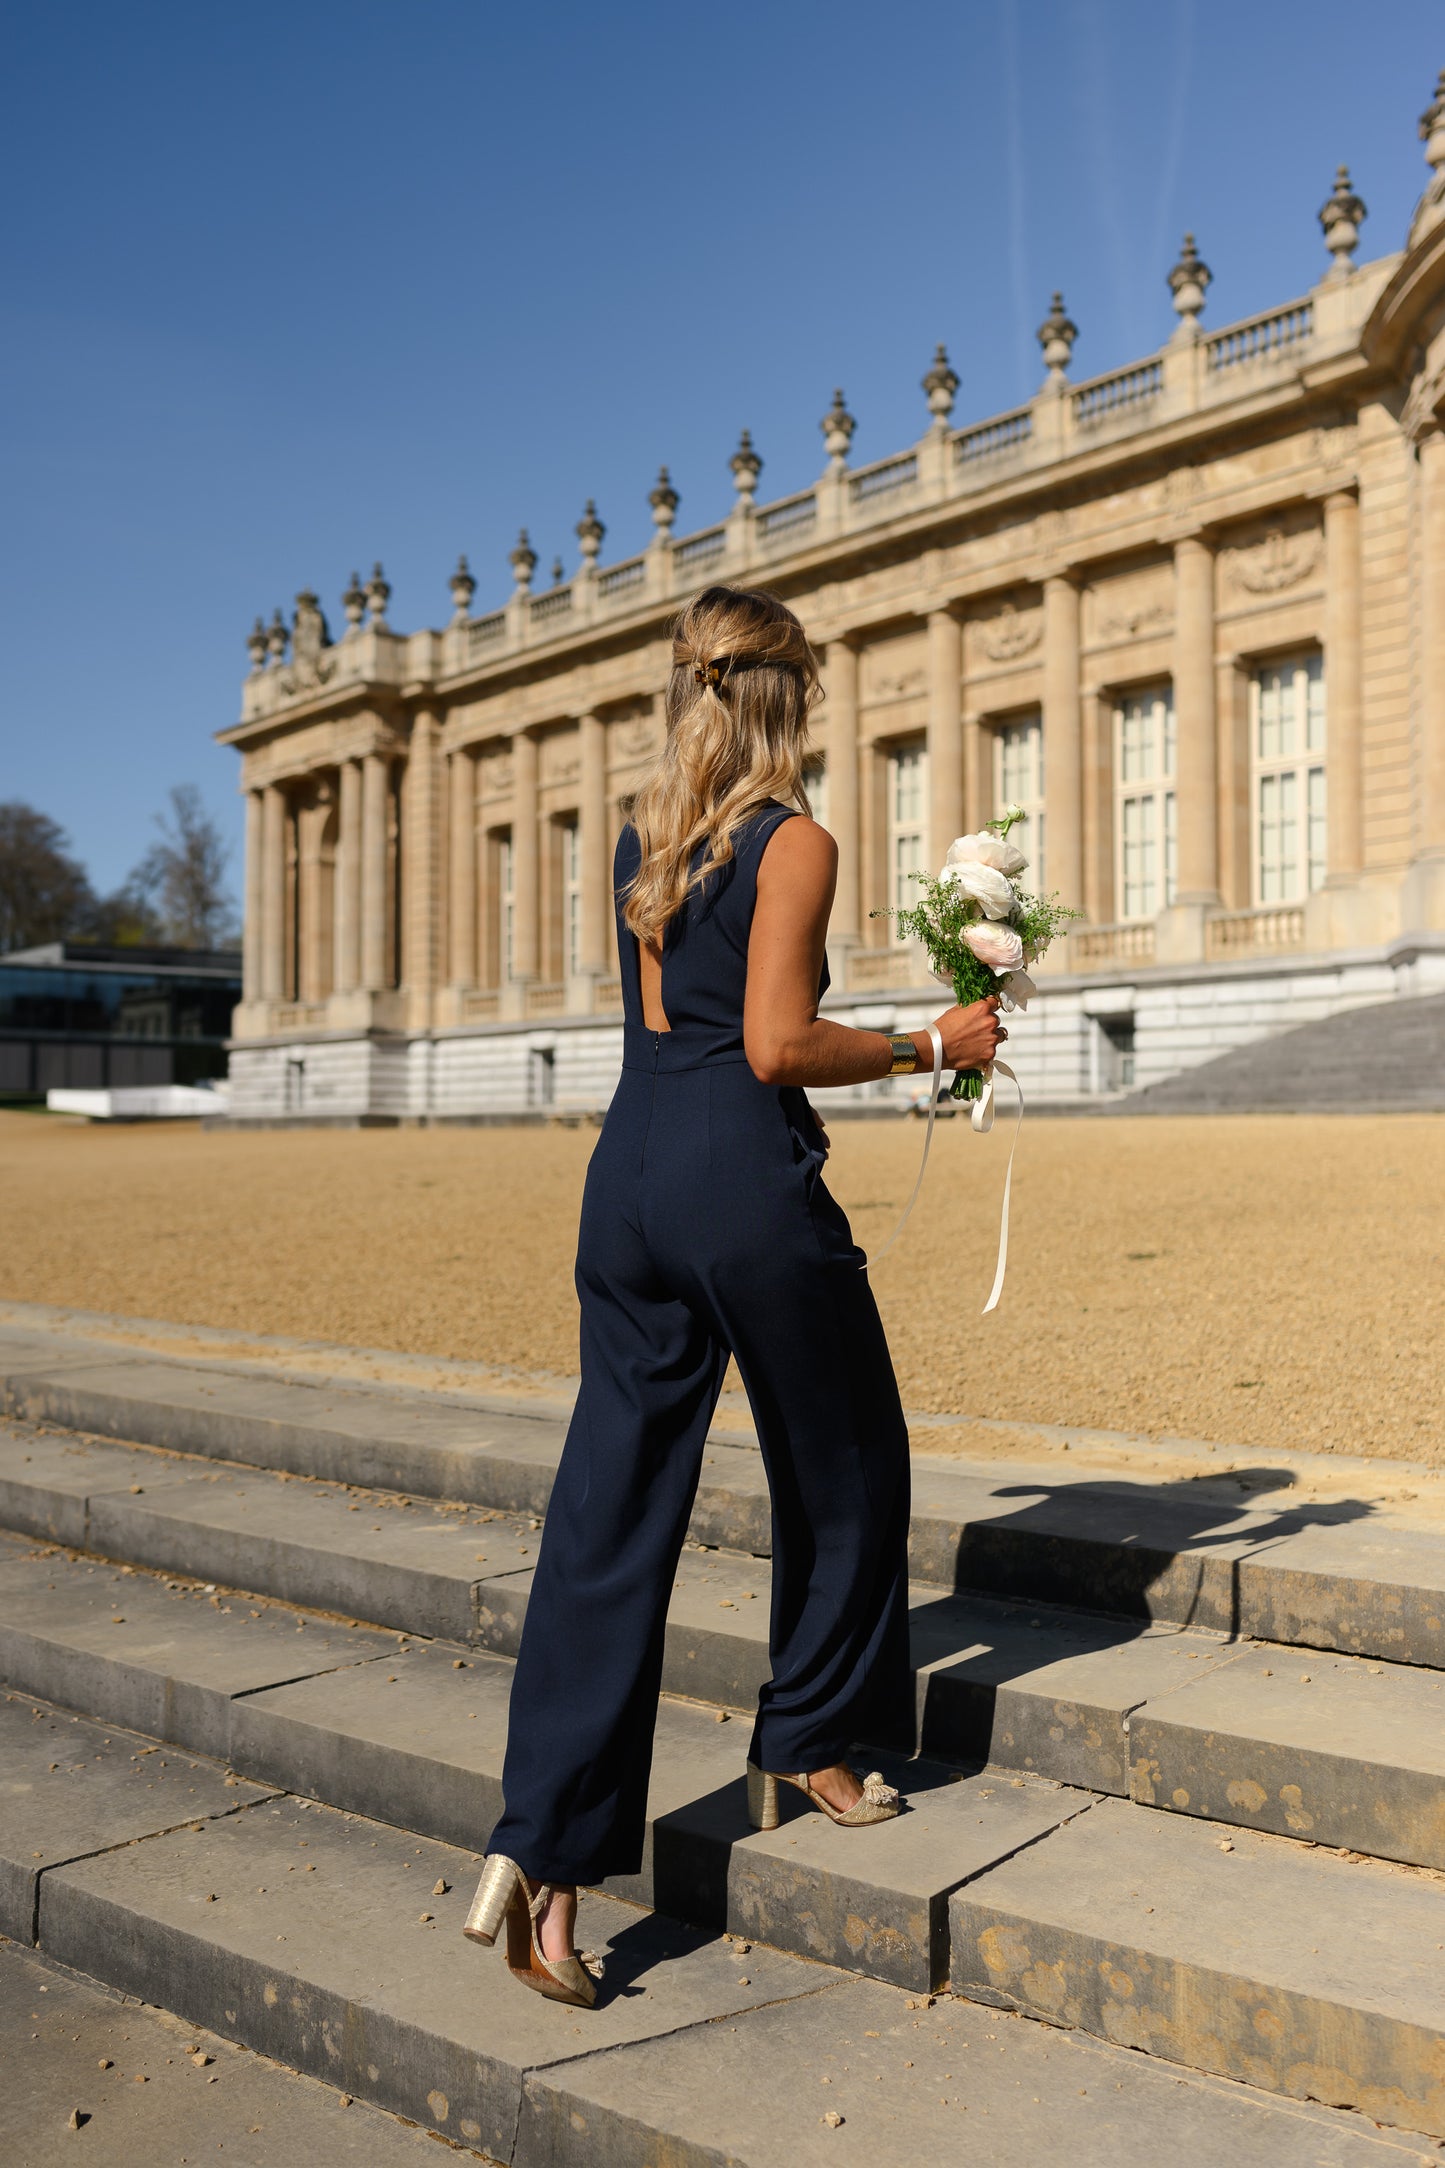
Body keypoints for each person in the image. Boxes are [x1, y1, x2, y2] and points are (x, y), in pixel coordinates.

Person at [462, 583, 1005, 2007]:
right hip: (738, 1184)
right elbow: (771, 1042)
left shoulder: (650, 836)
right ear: (789, 699)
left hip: (624, 1178)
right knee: (845, 1465)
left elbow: (681, 1023)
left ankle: (541, 1868)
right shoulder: (796, 839)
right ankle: (812, 1739)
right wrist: (926, 1045)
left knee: (608, 1517)